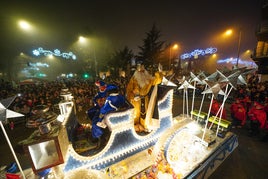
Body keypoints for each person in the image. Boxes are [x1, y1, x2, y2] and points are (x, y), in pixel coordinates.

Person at [126, 62, 163, 132]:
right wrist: (133, 97)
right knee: (136, 114)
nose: (141, 70)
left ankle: (144, 126)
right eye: (140, 68)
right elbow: (128, 90)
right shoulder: (134, 79)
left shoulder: (148, 78)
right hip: (136, 101)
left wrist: (160, 72)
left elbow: (157, 81)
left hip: (145, 99)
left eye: (143, 68)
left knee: (145, 113)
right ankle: (135, 127)